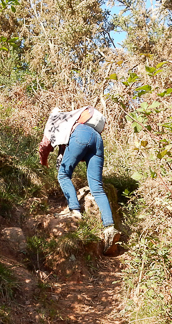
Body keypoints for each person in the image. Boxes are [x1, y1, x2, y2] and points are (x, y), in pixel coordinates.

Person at [38, 105, 122, 256]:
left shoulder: (54, 119)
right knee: (96, 186)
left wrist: (43, 161)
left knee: (63, 175)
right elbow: (65, 149)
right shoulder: (72, 119)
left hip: (81, 135)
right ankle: (109, 227)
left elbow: (45, 145)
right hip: (97, 138)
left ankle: (75, 211)